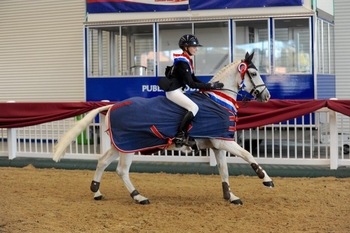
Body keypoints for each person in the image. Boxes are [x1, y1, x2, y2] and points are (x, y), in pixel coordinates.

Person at [158, 34, 224, 147]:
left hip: (180, 90)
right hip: (174, 92)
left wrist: (209, 85)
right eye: (193, 47)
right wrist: (210, 86)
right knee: (193, 107)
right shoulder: (182, 62)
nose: (196, 49)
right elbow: (191, 84)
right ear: (185, 47)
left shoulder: (187, 60)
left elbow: (193, 78)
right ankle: (180, 135)